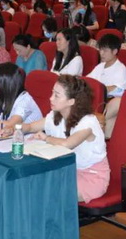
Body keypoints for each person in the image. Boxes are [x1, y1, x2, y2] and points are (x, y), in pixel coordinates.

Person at [12, 75, 109, 203]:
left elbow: (67, 144)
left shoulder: (88, 122)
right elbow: (30, 127)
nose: (51, 98)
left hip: (91, 176)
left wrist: (46, 138)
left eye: (56, 96)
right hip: (66, 169)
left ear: (71, 101)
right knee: (31, 183)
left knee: (48, 192)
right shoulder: (56, 115)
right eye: (52, 93)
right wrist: (13, 128)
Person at [87, 34, 126, 137]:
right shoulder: (100, 66)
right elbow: (88, 81)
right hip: (94, 99)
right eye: (100, 49)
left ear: (114, 51)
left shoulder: (120, 69)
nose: (101, 53)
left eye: (105, 50)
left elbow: (119, 90)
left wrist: (100, 89)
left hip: (107, 102)